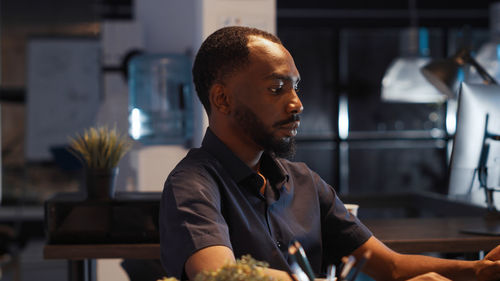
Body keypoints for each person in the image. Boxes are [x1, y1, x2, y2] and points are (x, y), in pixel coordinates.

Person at [159, 26, 500, 281]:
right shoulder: (192, 185)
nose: (297, 104)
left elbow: (390, 266)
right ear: (223, 99)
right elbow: (222, 274)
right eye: (277, 89)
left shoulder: (305, 182)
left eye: (296, 87)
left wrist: (479, 270)